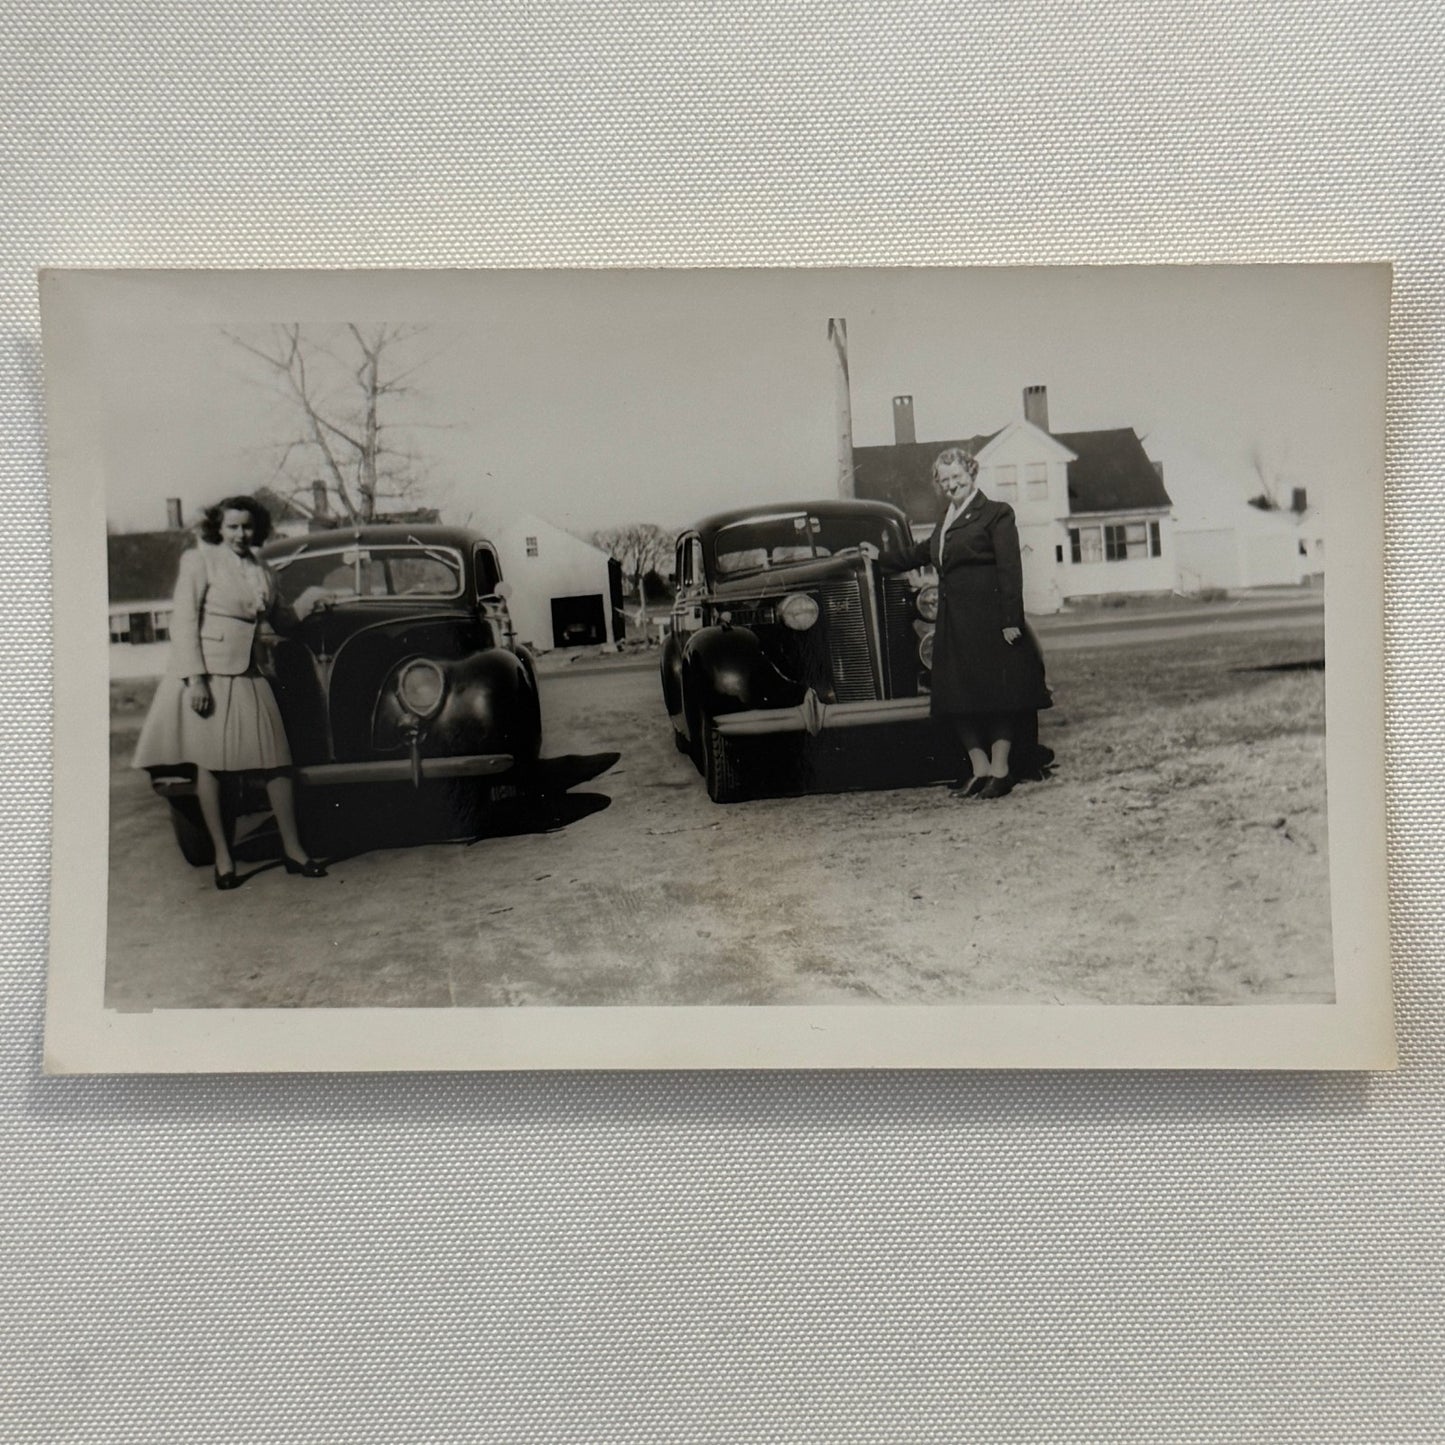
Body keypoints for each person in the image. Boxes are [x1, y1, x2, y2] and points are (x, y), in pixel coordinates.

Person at [132, 495, 329, 887]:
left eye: (247, 526)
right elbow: (184, 622)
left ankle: (294, 850)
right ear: (218, 529)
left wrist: (310, 601)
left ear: (257, 528)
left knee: (277, 760)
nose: (241, 533)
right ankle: (224, 858)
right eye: (233, 526)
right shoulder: (199, 561)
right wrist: (196, 679)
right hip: (211, 674)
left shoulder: (262, 569)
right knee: (213, 765)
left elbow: (283, 619)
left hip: (251, 671)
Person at [898, 447, 1052, 800]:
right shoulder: (946, 521)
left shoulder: (996, 514)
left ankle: (1001, 771)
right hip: (954, 624)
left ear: (972, 475)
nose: (952, 484)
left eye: (958, 477)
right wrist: (878, 559)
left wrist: (1011, 620)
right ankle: (979, 769)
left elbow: (1010, 569)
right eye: (945, 479)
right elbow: (920, 553)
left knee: (999, 698)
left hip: (990, 621)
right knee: (955, 699)